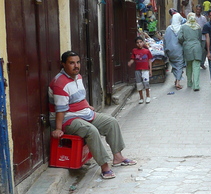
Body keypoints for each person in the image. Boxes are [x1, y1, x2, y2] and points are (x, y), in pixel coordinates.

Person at [49, 51, 136, 180]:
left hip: (83, 113)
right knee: (91, 131)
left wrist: (86, 106)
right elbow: (60, 110)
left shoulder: (78, 77)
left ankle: (118, 157)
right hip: (68, 119)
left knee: (111, 122)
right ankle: (105, 167)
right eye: (71, 63)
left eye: (78, 62)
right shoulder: (60, 83)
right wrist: (58, 128)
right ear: (63, 64)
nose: (76, 66)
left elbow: (79, 96)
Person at [128, 36, 157, 104]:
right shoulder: (134, 51)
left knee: (146, 83)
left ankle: (148, 96)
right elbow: (133, 59)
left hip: (145, 70)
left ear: (143, 42)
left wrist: (150, 70)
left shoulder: (147, 51)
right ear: (136, 44)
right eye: (137, 43)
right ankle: (141, 98)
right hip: (137, 70)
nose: (139, 44)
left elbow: (149, 60)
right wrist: (130, 62)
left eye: (140, 42)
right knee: (139, 84)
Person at [178, 12, 203, 91]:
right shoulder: (198, 27)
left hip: (187, 47)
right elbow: (200, 38)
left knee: (189, 65)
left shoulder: (183, 27)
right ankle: (196, 85)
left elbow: (180, 38)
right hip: (197, 47)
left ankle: (189, 82)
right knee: (196, 66)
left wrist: (185, 42)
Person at [164, 10, 186, 89]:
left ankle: (176, 79)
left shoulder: (168, 28)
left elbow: (165, 40)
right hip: (178, 51)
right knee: (179, 65)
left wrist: (165, 51)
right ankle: (178, 82)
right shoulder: (181, 28)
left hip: (170, 51)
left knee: (173, 65)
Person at [194, 4, 209, 69]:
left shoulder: (203, 18)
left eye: (199, 10)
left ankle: (202, 63)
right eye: (197, 9)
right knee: (196, 50)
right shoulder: (193, 17)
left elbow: (206, 26)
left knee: (203, 50)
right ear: (195, 10)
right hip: (195, 37)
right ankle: (196, 63)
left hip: (203, 36)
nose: (198, 11)